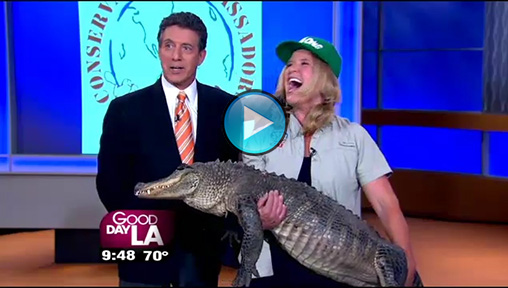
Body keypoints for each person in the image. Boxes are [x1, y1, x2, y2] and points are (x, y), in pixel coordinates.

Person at [242, 36, 418, 287]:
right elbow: (246, 193)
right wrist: (259, 217)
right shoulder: (262, 132)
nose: (291, 69)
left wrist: (406, 259)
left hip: (338, 268)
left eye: (304, 63)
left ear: (326, 81)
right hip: (272, 268)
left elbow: (386, 204)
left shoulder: (353, 136)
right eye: (289, 64)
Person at [96, 12, 241, 287]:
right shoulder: (125, 110)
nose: (176, 56)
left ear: (201, 56)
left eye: (186, 48)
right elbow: (110, 185)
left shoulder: (225, 108)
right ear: (159, 49)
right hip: (144, 255)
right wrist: (146, 232)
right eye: (168, 45)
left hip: (203, 255)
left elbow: (235, 176)